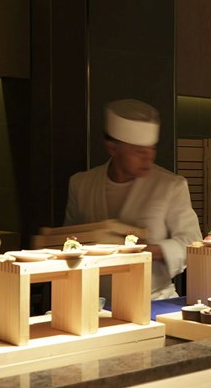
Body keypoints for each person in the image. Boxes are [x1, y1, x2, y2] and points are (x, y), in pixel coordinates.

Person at [64, 99, 201, 299]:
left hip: (153, 300)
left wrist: (151, 251)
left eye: (152, 149)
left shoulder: (170, 185)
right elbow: (70, 240)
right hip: (95, 301)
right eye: (138, 151)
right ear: (113, 148)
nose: (149, 158)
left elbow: (193, 243)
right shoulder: (82, 184)